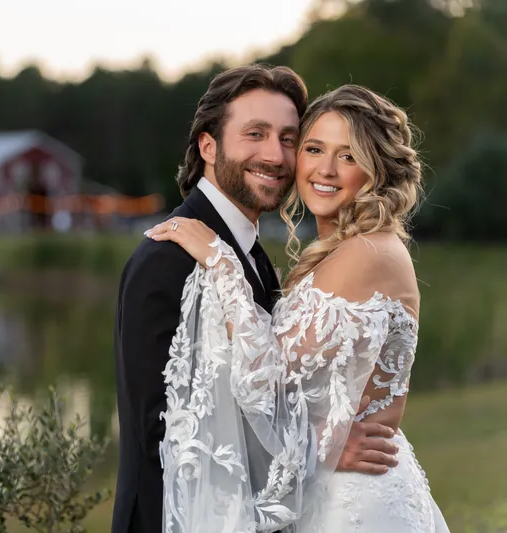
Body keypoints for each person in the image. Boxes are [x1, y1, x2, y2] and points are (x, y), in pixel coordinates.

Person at [146, 84, 449, 532]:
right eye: (313, 148)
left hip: (354, 502)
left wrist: (221, 261)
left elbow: (267, 377)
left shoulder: (368, 253)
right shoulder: (341, 251)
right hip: (327, 489)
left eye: (348, 156)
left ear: (377, 168)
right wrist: (322, 446)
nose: (325, 169)